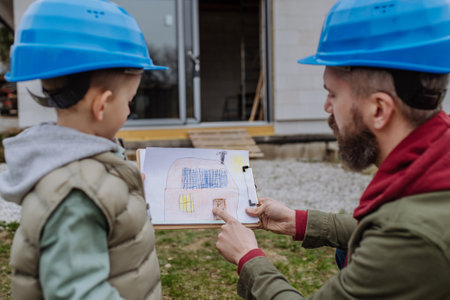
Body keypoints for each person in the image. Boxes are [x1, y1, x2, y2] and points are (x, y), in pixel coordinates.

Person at [213, 0, 450, 298]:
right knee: (344, 253)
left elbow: (395, 236)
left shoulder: (413, 237)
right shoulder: (436, 156)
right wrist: (299, 222)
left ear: (379, 109)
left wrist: (249, 259)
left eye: (332, 94)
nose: (326, 107)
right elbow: (377, 229)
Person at [0, 0, 167, 299]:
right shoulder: (77, 194)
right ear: (101, 105)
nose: (129, 111)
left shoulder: (78, 163)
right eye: (130, 101)